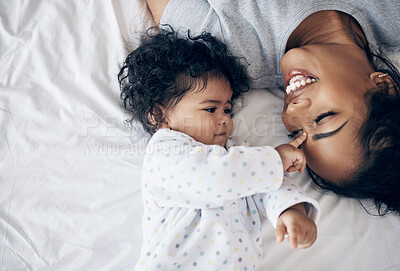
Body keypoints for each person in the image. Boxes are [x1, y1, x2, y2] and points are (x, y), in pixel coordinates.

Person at [146, 0, 400, 216]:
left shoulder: (222, 50)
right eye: (324, 118)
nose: (292, 112)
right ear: (384, 86)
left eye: (295, 133)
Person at [118, 28, 320, 270]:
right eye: (210, 110)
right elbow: (213, 176)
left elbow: (268, 184)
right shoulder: (165, 151)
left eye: (227, 110)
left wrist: (291, 211)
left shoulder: (238, 153)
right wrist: (275, 158)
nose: (225, 119)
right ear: (159, 116)